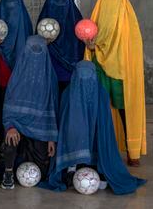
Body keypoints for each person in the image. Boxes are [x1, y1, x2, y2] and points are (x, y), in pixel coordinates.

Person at [45, 60, 146, 195]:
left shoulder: (101, 94)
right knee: (74, 128)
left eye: (89, 76)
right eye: (81, 76)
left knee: (97, 137)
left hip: (94, 142)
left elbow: (105, 126)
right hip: (73, 140)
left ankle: (98, 166)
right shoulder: (68, 94)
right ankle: (71, 167)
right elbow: (63, 126)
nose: (85, 80)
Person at [84, 0, 146, 166]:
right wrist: (91, 46)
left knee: (123, 109)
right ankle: (99, 150)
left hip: (121, 73)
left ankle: (132, 150)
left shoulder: (128, 22)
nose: (111, 0)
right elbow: (95, 38)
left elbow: (131, 49)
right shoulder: (105, 13)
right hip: (102, 68)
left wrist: (95, 46)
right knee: (101, 108)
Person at [1, 35, 58, 189]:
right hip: (17, 125)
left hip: (40, 128)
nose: (35, 55)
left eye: (39, 51)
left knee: (43, 171)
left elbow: (52, 109)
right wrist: (10, 126)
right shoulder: (17, 77)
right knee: (10, 140)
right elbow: (8, 106)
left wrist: (51, 138)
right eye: (32, 50)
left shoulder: (50, 78)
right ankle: (8, 173)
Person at [0, 0, 33, 132]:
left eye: (14, 3)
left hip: (21, 75)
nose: (11, 7)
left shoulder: (26, 24)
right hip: (3, 75)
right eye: (7, 3)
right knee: (3, 105)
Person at [37, 0, 84, 94]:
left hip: (70, 73)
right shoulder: (43, 22)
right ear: (49, 2)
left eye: (62, 1)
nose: (59, 5)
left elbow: (81, 47)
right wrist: (44, 43)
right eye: (55, 2)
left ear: (68, 1)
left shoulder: (76, 21)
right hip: (49, 72)